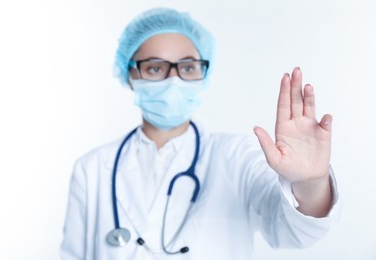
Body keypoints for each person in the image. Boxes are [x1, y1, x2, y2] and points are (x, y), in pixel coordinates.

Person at [60, 7, 339, 260]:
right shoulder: (92, 169)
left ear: (203, 73)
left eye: (187, 67)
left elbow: (295, 231)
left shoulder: (236, 156)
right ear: (130, 74)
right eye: (155, 68)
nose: (173, 80)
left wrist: (310, 183)